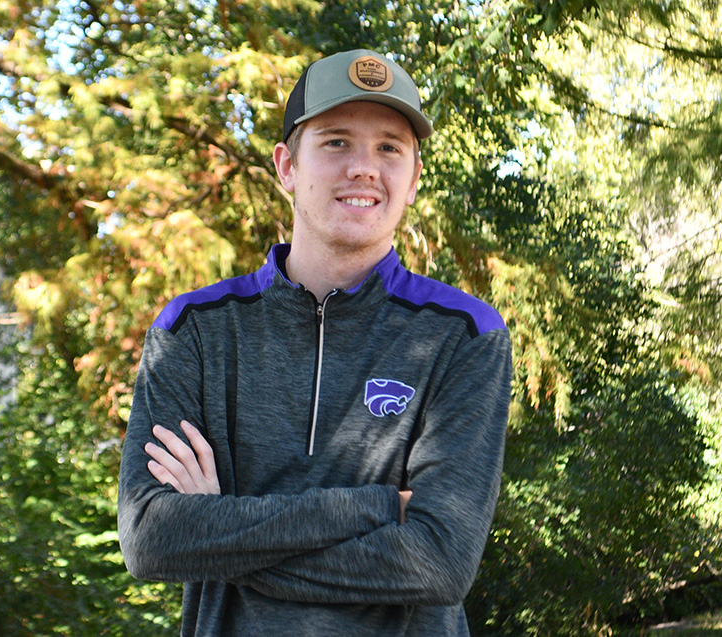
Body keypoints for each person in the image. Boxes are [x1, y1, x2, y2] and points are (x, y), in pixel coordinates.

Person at [117, 48, 512, 636]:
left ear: (413, 178)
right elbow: (152, 538)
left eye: (389, 147)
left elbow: (438, 562)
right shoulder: (193, 330)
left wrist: (217, 531)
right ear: (286, 167)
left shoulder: (464, 334)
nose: (364, 167)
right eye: (335, 142)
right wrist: (380, 506)